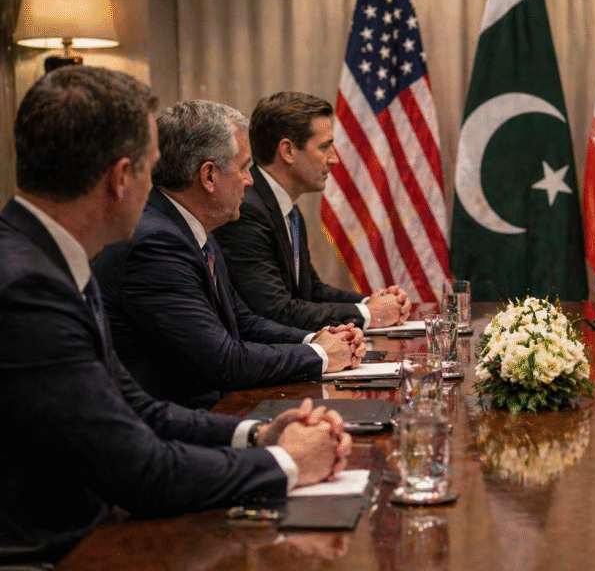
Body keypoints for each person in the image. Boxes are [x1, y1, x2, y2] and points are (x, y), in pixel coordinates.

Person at [0, 66, 351, 565]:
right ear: (121, 178)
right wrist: (285, 462)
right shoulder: (28, 287)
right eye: (151, 166)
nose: (157, 186)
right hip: (59, 551)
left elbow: (137, 408)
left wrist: (256, 435)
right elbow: (141, 473)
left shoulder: (51, 257)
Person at [93, 100, 364, 409]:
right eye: (244, 167)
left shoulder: (189, 227)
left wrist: (315, 340)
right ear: (208, 176)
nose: (249, 181)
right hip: (180, 428)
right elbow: (222, 361)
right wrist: (320, 356)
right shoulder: (155, 244)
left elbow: (243, 321)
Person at [213, 91, 410, 331]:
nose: (334, 159)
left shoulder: (288, 210)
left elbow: (311, 291)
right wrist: (369, 313)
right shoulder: (246, 212)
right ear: (287, 151)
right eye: (325, 147)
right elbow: (274, 310)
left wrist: (371, 302)